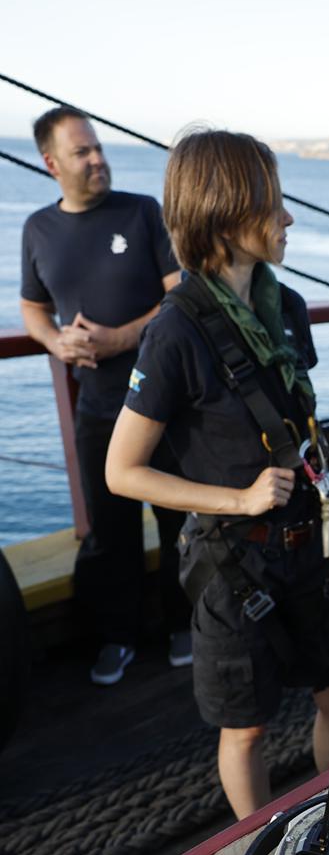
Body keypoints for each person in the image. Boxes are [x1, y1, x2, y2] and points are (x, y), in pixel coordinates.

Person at [106, 129, 329, 820]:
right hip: (234, 564)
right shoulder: (175, 333)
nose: (289, 219)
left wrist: (324, 457)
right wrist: (239, 498)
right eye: (273, 204)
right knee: (245, 727)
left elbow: (287, 414)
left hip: (310, 545)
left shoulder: (288, 311)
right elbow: (122, 471)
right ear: (224, 214)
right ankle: (261, 845)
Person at [20, 107, 189, 685]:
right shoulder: (37, 229)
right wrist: (54, 342)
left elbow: (179, 295)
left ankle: (183, 625)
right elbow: (32, 306)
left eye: (98, 147)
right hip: (97, 408)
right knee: (109, 533)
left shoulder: (143, 213)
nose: (98, 159)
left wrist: (120, 337)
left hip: (167, 405)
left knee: (178, 524)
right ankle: (115, 638)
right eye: (82, 152)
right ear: (51, 164)